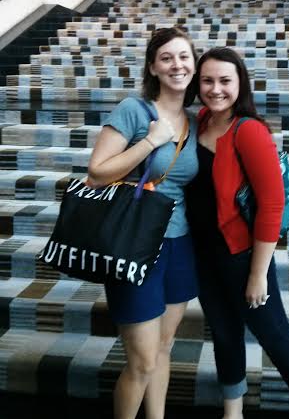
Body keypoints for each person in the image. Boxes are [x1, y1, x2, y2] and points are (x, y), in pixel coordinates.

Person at [186, 47, 289, 419]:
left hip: (242, 255)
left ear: (241, 84)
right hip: (203, 253)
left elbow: (272, 205)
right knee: (223, 332)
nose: (215, 89)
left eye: (225, 81)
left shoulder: (248, 131)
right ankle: (232, 411)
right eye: (207, 81)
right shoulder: (201, 121)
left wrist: (258, 273)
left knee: (274, 334)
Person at [87, 27, 199, 419]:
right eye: (166, 57)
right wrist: (150, 142)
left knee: (163, 349)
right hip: (135, 244)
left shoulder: (194, 122)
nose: (176, 65)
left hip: (180, 244)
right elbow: (96, 174)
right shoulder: (134, 111)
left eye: (184, 56)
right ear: (152, 67)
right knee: (142, 361)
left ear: (194, 64)